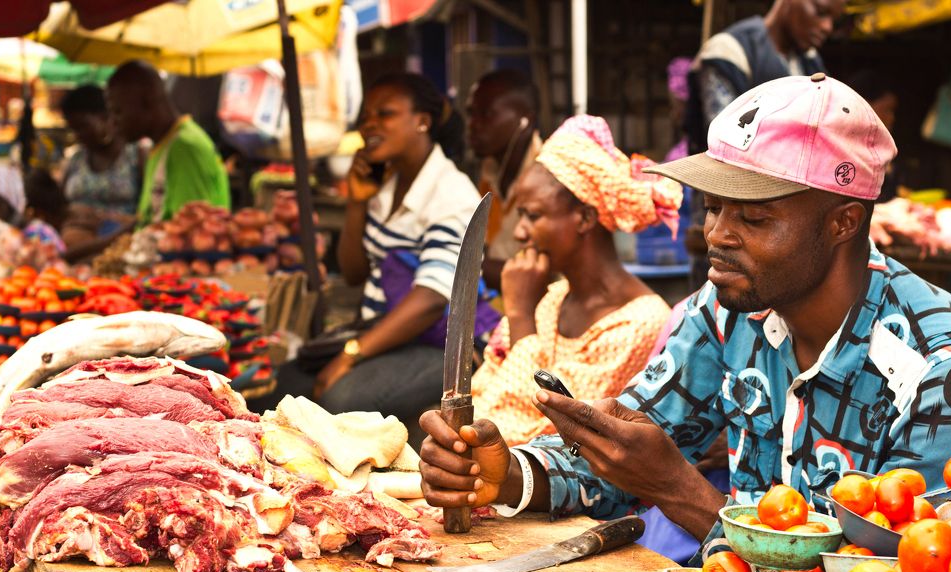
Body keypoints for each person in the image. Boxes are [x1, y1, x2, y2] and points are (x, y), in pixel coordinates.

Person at [416, 74, 951, 556]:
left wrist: (676, 488)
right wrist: (505, 474)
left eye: (754, 219)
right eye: (714, 208)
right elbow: (622, 447)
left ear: (843, 221)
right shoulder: (725, 314)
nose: (717, 235)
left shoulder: (948, 370)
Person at [250, 73, 484, 437]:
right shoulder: (386, 184)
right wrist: (356, 203)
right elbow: (355, 272)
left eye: (384, 114)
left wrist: (351, 355)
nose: (369, 125)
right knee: (289, 380)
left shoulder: (451, 195)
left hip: (437, 346)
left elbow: (430, 300)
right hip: (386, 335)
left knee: (337, 401)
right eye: (365, 117)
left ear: (422, 121)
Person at [471, 116, 680, 447]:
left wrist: (521, 313)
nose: (519, 232)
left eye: (533, 216)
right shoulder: (552, 298)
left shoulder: (641, 322)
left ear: (584, 218)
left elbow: (551, 433)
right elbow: (482, 398)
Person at [683, 0, 846, 289]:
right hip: (729, 213)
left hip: (786, 222)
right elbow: (728, 144)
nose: (826, 27)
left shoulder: (808, 62)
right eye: (820, 12)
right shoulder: (729, 52)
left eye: (833, 19)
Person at [105, 60, 229, 229]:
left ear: (148, 100)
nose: (113, 122)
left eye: (118, 111)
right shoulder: (163, 146)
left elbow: (189, 232)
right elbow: (148, 221)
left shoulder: (185, 150)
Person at [465, 69, 542, 290]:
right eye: (471, 114)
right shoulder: (490, 169)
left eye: (487, 114)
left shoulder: (548, 176)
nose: (473, 124)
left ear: (525, 119)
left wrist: (463, 265)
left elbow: (535, 278)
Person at [59, 85, 142, 259]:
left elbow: (145, 216)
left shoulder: (136, 156)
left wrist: (105, 219)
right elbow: (59, 206)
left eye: (83, 126)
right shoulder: (75, 160)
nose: (77, 135)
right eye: (72, 128)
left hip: (118, 253)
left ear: (105, 117)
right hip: (73, 255)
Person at [846, 69, 900, 202]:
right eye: (887, 109)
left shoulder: (880, 147)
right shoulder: (844, 147)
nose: (892, 118)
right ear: (866, 105)